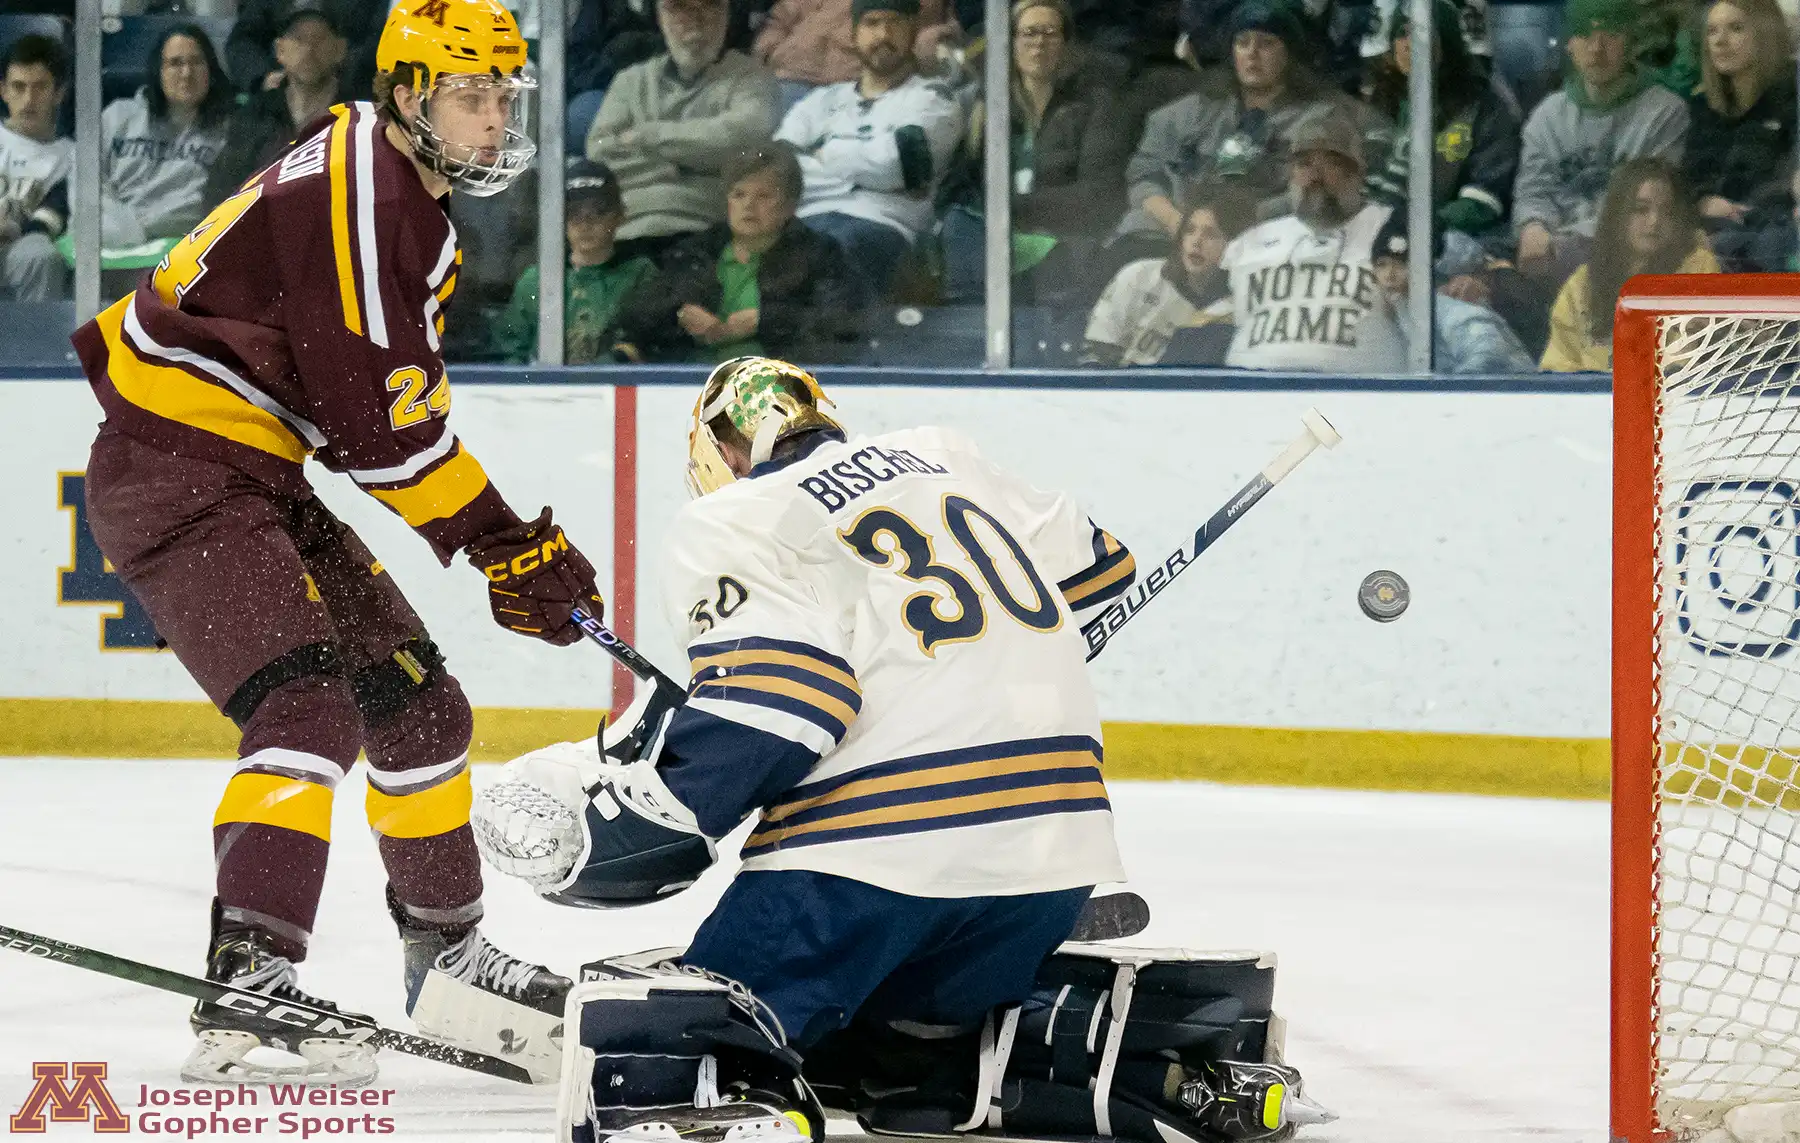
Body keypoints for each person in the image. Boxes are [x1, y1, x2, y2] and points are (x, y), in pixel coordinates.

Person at [471, 356, 1334, 1143]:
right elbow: (1100, 572)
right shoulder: (943, 451)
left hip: (866, 872)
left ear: (718, 448)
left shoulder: (734, 518)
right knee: (901, 1064)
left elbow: (787, 702)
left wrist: (663, 807)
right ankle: (1147, 1069)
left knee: (676, 1038)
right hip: (1053, 862)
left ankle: (739, 1102)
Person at [70, 0, 601, 1087]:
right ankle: (248, 991)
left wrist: (502, 544)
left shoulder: (393, 178)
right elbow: (378, 426)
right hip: (178, 468)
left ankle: (448, 965)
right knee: (305, 702)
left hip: (248, 468)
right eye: (469, 94)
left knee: (416, 703)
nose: (494, 117)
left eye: (503, 94)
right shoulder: (363, 182)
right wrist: (507, 545)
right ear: (410, 94)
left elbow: (373, 414)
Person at [1111, 0, 1363, 267]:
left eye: (1266, 43)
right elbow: (1144, 172)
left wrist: (1237, 220)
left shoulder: (1321, 122)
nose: (1252, 53)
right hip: (1166, 234)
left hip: (1264, 242)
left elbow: (1315, 192)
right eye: (1243, 43)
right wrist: (1179, 223)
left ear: (1289, 54)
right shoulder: (1186, 113)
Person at [936, 0, 1129, 306]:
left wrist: (1015, 209)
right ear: (1011, 43)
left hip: (1064, 241)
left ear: (1066, 44)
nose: (1039, 43)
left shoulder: (1097, 105)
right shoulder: (990, 106)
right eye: (1028, 33)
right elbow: (959, 183)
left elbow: (1099, 194)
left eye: (1050, 33)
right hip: (993, 237)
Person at [774, 0, 964, 294]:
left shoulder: (933, 99)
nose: (883, 34)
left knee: (836, 260)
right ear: (854, 34)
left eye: (894, 23)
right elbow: (781, 169)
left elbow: (900, 165)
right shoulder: (820, 101)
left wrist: (823, 154)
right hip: (806, 221)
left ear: (912, 31)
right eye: (872, 23)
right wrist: (868, 164)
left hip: (881, 226)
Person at [616, 143, 865, 363]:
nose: (748, 205)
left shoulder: (819, 253)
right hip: (689, 385)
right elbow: (637, 316)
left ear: (791, 204)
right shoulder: (697, 251)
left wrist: (764, 321)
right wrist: (679, 314)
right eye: (739, 194)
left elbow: (843, 323)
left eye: (763, 196)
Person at [1511, 0, 1689, 285]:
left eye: (1610, 35)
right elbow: (1534, 191)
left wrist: (1566, 244)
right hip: (1553, 250)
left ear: (1629, 42)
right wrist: (1533, 227)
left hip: (1629, 256)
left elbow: (1652, 205)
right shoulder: (1546, 116)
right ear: (1569, 44)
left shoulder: (1664, 112)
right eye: (1585, 35)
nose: (1597, 48)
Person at [585, 0, 781, 255]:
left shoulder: (754, 80)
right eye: (680, 8)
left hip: (708, 233)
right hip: (627, 233)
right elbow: (599, 152)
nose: (696, 23)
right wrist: (693, 160)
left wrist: (647, 136)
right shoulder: (629, 81)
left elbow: (745, 141)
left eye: (709, 7)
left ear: (726, 14)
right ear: (659, 15)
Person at [1221, 105, 1407, 372]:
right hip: (1247, 394)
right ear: (1291, 175)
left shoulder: (1392, 228)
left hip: (1356, 398)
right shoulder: (1255, 239)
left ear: (1357, 174)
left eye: (1331, 163)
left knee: (1312, 416)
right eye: (1304, 163)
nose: (1315, 175)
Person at [1363, 0, 1520, 256]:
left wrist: (1426, 226)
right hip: (1366, 238)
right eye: (1401, 34)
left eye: (1421, 32)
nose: (1409, 44)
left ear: (1447, 43)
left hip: (1442, 247)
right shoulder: (1379, 105)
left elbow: (1486, 197)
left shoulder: (1482, 109)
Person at [1540, 157, 1718, 371]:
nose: (1654, 221)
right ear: (1617, 215)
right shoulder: (1582, 283)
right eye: (1641, 210)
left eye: (1667, 212)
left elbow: (1692, 362)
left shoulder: (1698, 267)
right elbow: (1558, 368)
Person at [493, 158, 657, 364]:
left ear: (620, 215)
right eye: (573, 213)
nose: (585, 224)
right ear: (559, 219)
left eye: (598, 212)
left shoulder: (640, 275)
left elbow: (644, 344)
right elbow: (509, 353)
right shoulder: (535, 281)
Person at [1680, 0, 1795, 266]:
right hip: (1709, 232)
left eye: (1735, 28)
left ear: (1766, 34)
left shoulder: (1792, 97)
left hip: (1773, 237)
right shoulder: (1701, 107)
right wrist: (1703, 201)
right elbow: (1686, 177)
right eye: (1712, 31)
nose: (1720, 41)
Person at [203, 2, 347, 209]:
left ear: (340, 49)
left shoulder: (358, 117)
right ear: (280, 50)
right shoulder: (254, 115)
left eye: (319, 38)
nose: (308, 49)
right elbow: (221, 193)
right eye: (298, 39)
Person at [100, 24, 232, 248]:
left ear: (211, 70)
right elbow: (87, 182)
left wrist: (135, 227)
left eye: (196, 62)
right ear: (158, 71)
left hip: (187, 247)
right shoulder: (117, 116)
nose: (186, 73)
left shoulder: (231, 129)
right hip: (108, 242)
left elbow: (206, 202)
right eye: (175, 63)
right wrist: (115, 227)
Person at [1082, 191, 1250, 366]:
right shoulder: (1139, 275)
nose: (1196, 242)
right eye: (1190, 231)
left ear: (1234, 245)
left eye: (1211, 235)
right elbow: (1095, 357)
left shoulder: (1237, 307)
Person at [1366, 212, 1536, 373]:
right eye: (1382, 264)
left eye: (1401, 264)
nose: (1389, 275)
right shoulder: (1401, 311)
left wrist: (1449, 395)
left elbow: (1488, 351)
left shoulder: (1448, 306)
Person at [754, 0, 958, 111]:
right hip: (789, 76)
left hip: (850, 86)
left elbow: (930, 30)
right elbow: (780, 16)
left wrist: (933, 37)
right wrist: (771, 51)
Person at [0, 33, 72, 301]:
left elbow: (55, 214)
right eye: (18, 87)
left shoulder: (72, 156)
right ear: (3, 91)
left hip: (19, 248)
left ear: (59, 93)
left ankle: (39, 341)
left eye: (40, 87)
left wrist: (13, 230)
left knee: (41, 255)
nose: (29, 100)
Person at [225, 0, 383, 102]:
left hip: (352, 92)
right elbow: (242, 41)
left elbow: (379, 40)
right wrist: (263, 77)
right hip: (280, 98)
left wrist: (335, 68)